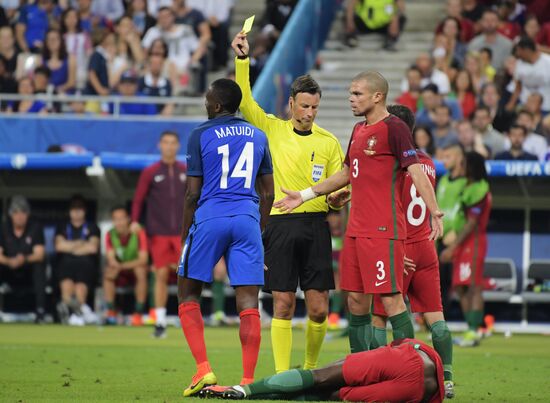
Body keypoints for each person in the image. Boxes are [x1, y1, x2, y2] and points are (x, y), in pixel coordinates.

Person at [273, 70, 444, 355]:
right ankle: (360, 366)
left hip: (383, 230)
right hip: (355, 230)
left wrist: (434, 211)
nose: (351, 100)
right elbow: (345, 173)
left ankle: (410, 363)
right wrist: (304, 195)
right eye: (350, 94)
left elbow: (415, 170)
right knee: (355, 301)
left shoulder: (395, 128)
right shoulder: (358, 130)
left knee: (390, 300)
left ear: (377, 97)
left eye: (357, 94)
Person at [232, 32, 345, 374]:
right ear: (292, 103)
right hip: (280, 225)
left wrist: (339, 201)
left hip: (315, 226)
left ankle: (309, 369)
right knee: (281, 303)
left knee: (319, 309)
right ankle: (283, 376)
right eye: (304, 106)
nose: (309, 113)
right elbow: (246, 101)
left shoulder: (329, 143)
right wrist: (242, 61)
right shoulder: (272, 129)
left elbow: (339, 187)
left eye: (314, 107)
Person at [177, 78, 274, 395]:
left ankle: (203, 370)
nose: (205, 102)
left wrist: (184, 235)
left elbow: (192, 194)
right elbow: (269, 193)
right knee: (248, 302)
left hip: (210, 216)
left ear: (217, 105)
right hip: (247, 218)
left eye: (207, 98)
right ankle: (247, 382)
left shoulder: (200, 134)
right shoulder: (259, 135)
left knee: (188, 293)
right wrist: (258, 232)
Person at [370, 104, 455, 398]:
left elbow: (387, 207)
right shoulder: (428, 162)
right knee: (436, 318)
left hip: (400, 247)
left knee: (380, 315)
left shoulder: (394, 163)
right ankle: (448, 377)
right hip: (426, 248)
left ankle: (388, 373)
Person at [201, 338, 444, 403]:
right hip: (419, 392)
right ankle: (246, 392)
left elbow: (397, 344)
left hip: (408, 357)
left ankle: (244, 391)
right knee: (335, 394)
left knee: (321, 377)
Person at [131, 130, 187, 338]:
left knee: (187, 277)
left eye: (173, 142)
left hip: (182, 233)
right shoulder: (150, 172)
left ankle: (187, 320)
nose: (169, 146)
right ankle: (160, 321)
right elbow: (138, 199)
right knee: (161, 274)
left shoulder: (186, 171)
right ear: (160, 145)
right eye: (166, 142)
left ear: (178, 146)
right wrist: (135, 221)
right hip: (160, 233)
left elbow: (195, 199)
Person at [440, 152, 492, 347]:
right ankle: (471, 327)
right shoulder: (467, 186)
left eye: (464, 163)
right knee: (460, 285)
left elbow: (471, 223)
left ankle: (474, 330)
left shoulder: (480, 188)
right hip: (464, 242)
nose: (460, 166)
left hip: (474, 242)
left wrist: (453, 246)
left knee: (473, 285)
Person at [55, 195, 100, 326]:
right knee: (67, 283)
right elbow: (59, 246)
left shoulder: (92, 227)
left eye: (79, 208)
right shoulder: (63, 226)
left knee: (81, 284)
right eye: (74, 208)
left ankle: (78, 313)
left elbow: (92, 248)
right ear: (69, 211)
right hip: (66, 263)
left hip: (85, 263)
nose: (76, 211)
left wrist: (69, 246)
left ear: (85, 210)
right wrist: (81, 243)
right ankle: (73, 311)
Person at [0, 196, 46, 323]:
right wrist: (9, 261)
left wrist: (23, 259)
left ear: (28, 214)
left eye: (23, 212)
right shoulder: (4, 228)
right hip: (8, 268)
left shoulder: (35, 228)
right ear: (11, 214)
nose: (19, 216)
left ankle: (40, 311)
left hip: (28, 269)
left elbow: (39, 254)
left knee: (40, 266)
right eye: (16, 212)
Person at [103, 205, 148, 326]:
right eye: (115, 219)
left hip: (134, 270)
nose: (119, 222)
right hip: (120, 271)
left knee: (140, 271)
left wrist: (121, 266)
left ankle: (138, 313)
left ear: (128, 219)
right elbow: (111, 258)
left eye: (121, 218)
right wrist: (115, 265)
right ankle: (111, 311)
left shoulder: (139, 232)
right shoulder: (110, 234)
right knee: (109, 271)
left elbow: (143, 259)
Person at [436, 143, 466, 315]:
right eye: (444, 157)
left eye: (448, 157)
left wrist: (455, 230)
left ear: (459, 158)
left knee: (461, 283)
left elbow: (462, 210)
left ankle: (474, 324)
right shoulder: (444, 180)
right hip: (440, 237)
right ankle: (440, 321)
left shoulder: (465, 182)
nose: (444, 161)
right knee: (440, 282)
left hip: (456, 239)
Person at [507, 36, 550, 114]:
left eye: (519, 50)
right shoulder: (519, 64)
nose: (517, 53)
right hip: (525, 103)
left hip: (547, 104)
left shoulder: (547, 61)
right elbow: (518, 87)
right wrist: (511, 104)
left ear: (527, 50)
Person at [42, 29, 76, 94]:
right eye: (49, 39)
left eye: (55, 39)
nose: (52, 42)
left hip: (65, 95)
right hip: (46, 94)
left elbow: (71, 82)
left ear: (61, 41)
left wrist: (56, 91)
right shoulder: (40, 60)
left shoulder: (70, 59)